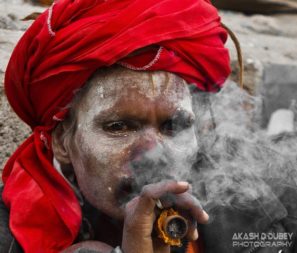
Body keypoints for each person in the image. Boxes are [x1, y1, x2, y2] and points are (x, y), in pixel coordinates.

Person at [1, 0, 231, 252]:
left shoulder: (246, 215)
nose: (154, 156)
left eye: (174, 127)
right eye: (119, 126)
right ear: (62, 141)